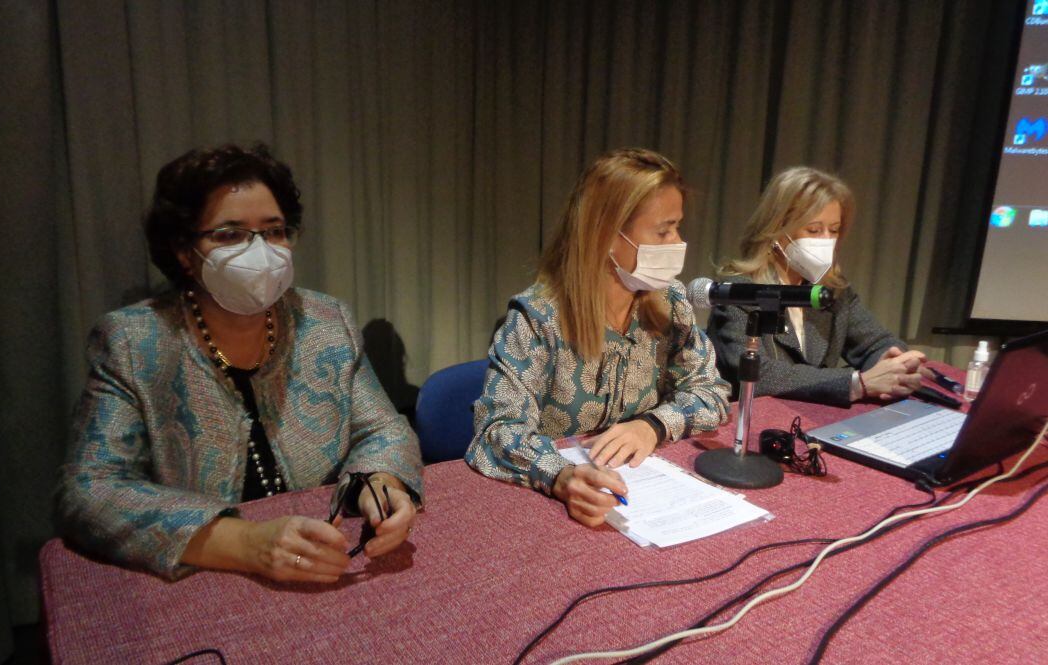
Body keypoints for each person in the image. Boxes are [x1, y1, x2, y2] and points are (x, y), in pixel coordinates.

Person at [56, 144, 422, 582]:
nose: (260, 252)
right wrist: (243, 544)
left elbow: (382, 429)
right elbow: (89, 489)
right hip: (210, 578)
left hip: (332, 552)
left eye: (273, 231)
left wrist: (381, 485)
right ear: (184, 251)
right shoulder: (135, 342)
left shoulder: (326, 322)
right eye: (230, 235)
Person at [465, 148, 731, 528]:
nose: (677, 241)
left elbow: (711, 392)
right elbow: (497, 429)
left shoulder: (671, 303)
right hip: (554, 511)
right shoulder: (538, 317)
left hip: (641, 496)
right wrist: (560, 476)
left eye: (678, 226)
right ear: (606, 234)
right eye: (663, 230)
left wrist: (652, 427)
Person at [706, 166, 929, 406]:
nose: (826, 241)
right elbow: (759, 375)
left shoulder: (834, 292)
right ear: (776, 230)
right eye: (813, 230)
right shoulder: (739, 292)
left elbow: (877, 342)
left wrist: (893, 363)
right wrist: (856, 383)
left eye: (833, 231)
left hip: (815, 420)